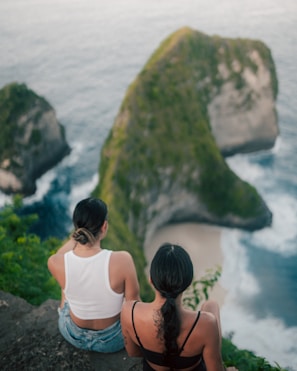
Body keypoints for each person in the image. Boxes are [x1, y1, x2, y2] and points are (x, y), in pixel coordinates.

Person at [121, 243, 237, 371]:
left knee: (210, 307)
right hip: (194, 355)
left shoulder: (129, 311)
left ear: (151, 280)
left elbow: (133, 353)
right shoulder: (207, 324)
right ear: (188, 282)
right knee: (211, 305)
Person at [47, 197, 140, 353]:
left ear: (76, 227)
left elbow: (59, 254)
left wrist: (75, 236)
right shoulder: (123, 260)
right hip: (112, 340)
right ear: (104, 226)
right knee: (125, 298)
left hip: (72, 334)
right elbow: (134, 305)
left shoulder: (55, 262)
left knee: (66, 284)